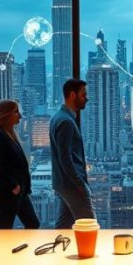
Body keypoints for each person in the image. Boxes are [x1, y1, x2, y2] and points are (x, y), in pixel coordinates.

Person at [50, 78, 95, 229]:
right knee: (89, 226)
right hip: (72, 185)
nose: (86, 98)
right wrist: (79, 183)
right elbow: (65, 157)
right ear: (72, 95)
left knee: (63, 225)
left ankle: (58, 243)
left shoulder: (58, 117)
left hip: (64, 183)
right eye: (83, 95)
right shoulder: (66, 122)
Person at [0, 99, 40, 230]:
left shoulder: (10, 134)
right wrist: (13, 184)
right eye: (16, 112)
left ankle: (18, 243)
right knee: (5, 228)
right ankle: (4, 245)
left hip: (19, 190)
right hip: (9, 191)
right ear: (6, 114)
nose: (20, 116)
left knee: (32, 223)